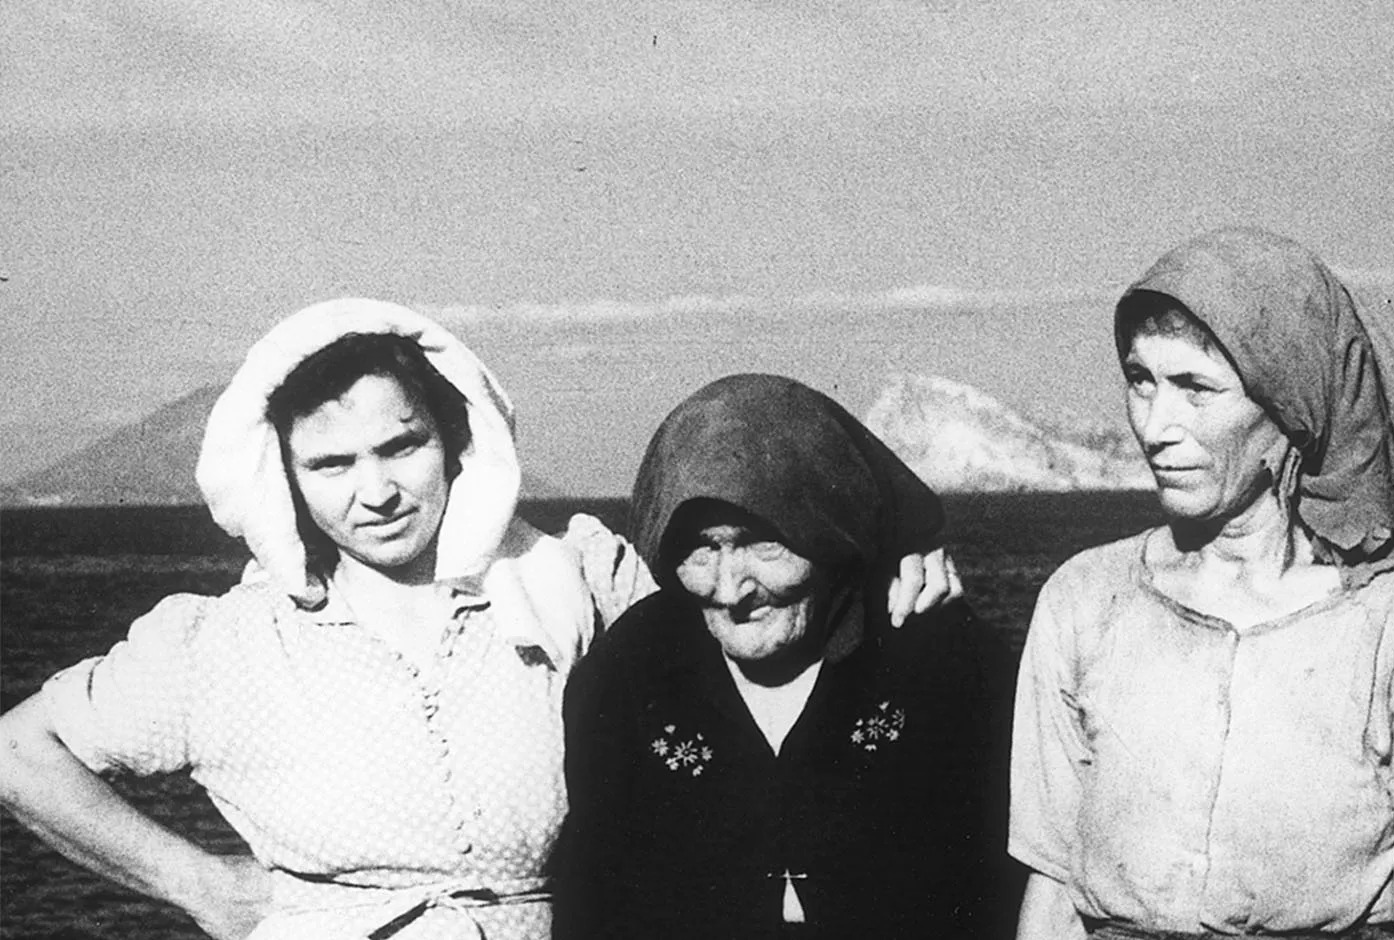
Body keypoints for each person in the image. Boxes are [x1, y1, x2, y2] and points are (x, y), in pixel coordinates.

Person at [0, 299, 958, 940]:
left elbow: (751, 610)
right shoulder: (222, 643)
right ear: (281, 476)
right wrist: (200, 887)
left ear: (457, 441)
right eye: (331, 465)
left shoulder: (574, 577)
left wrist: (890, 561)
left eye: (401, 446)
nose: (375, 492)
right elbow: (19, 751)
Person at [1011, 228, 1394, 940]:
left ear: (1292, 407)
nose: (1155, 426)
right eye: (1141, 380)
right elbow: (1052, 884)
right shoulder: (1085, 598)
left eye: (1196, 388)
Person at [553, 373, 1017, 940]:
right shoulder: (629, 673)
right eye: (701, 549)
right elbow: (590, 902)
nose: (731, 590)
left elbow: (1003, 889)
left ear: (830, 530)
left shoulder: (938, 659)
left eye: (763, 543)